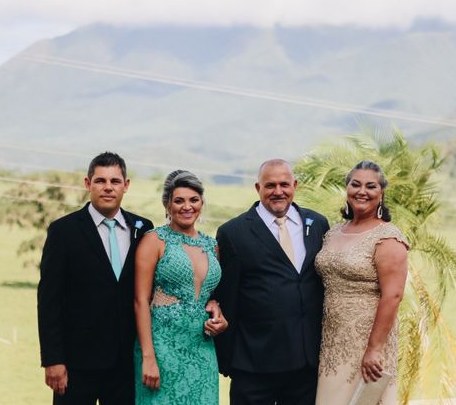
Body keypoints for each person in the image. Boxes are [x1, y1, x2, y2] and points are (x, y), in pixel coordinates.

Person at [38, 152, 154, 404]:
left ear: (126, 185)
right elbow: (49, 300)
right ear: (88, 184)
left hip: (126, 364)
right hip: (76, 364)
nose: (108, 188)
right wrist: (53, 360)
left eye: (115, 181)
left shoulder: (144, 228)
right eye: (100, 181)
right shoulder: (63, 231)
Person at [214, 159, 330, 405]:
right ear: (258, 188)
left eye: (284, 184)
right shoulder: (233, 233)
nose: (278, 191)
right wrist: (228, 359)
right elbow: (227, 297)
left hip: (306, 364)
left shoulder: (318, 224)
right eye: (270, 185)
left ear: (295, 185)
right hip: (254, 363)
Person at [314, 161, 409, 405]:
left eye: (370, 186)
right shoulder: (333, 232)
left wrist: (374, 349)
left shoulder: (388, 237)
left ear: (381, 193)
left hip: (368, 341)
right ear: (346, 189)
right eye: (355, 184)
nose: (362, 191)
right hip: (332, 340)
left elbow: (393, 296)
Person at [133, 170, 227, 404]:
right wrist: (148, 357)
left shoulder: (211, 245)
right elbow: (140, 301)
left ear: (202, 203)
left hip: (202, 350)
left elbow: (210, 296)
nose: (187, 206)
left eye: (194, 200)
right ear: (167, 204)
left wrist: (218, 313)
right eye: (179, 200)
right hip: (162, 349)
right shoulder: (154, 241)